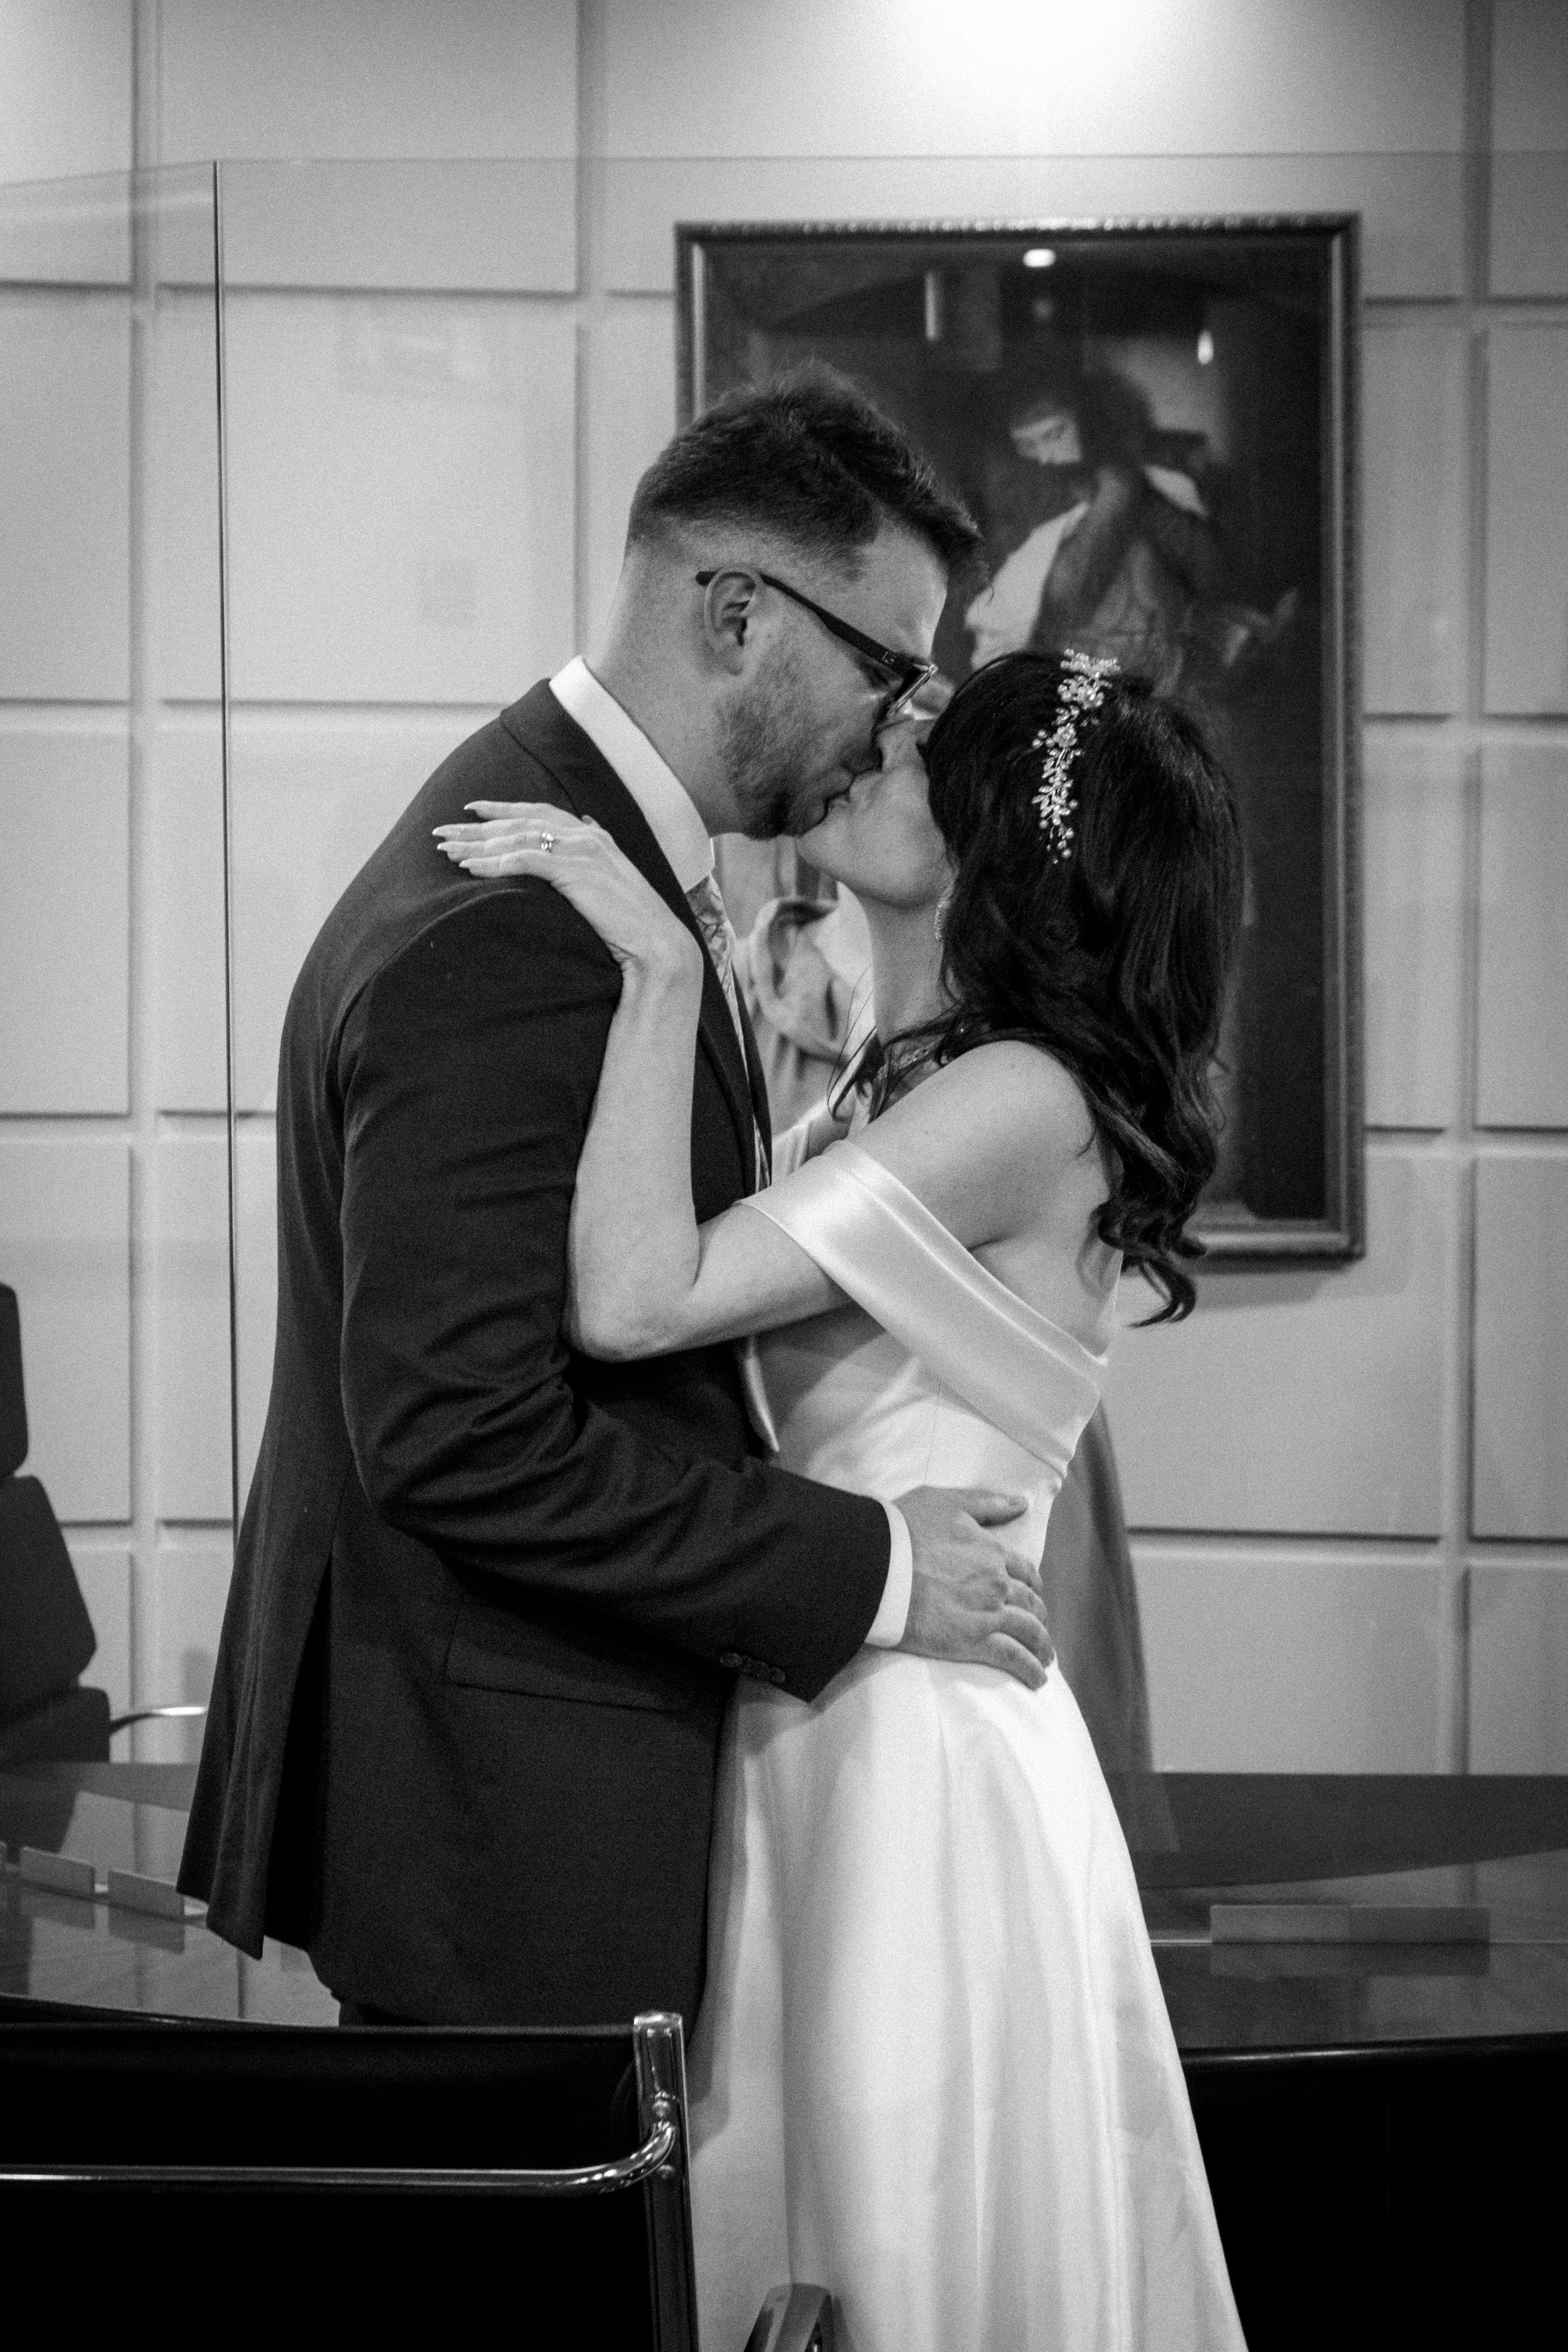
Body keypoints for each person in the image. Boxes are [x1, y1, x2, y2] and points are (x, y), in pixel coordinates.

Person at [176, 371, 1058, 2027]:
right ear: (736, 613)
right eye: (885, 667)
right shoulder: (517, 923)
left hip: (541, 1770)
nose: (896, 720)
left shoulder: (593, 856)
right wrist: (866, 1566)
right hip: (504, 1800)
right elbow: (460, 1432)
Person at [439, 645, 1249, 2348]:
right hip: (837, 1714)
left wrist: (661, 962)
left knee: (899, 2258)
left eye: (923, 754)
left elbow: (637, 1299)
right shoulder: (919, 1073)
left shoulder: (1015, 1102)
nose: (880, 754)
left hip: (919, 1767)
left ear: (983, 851)